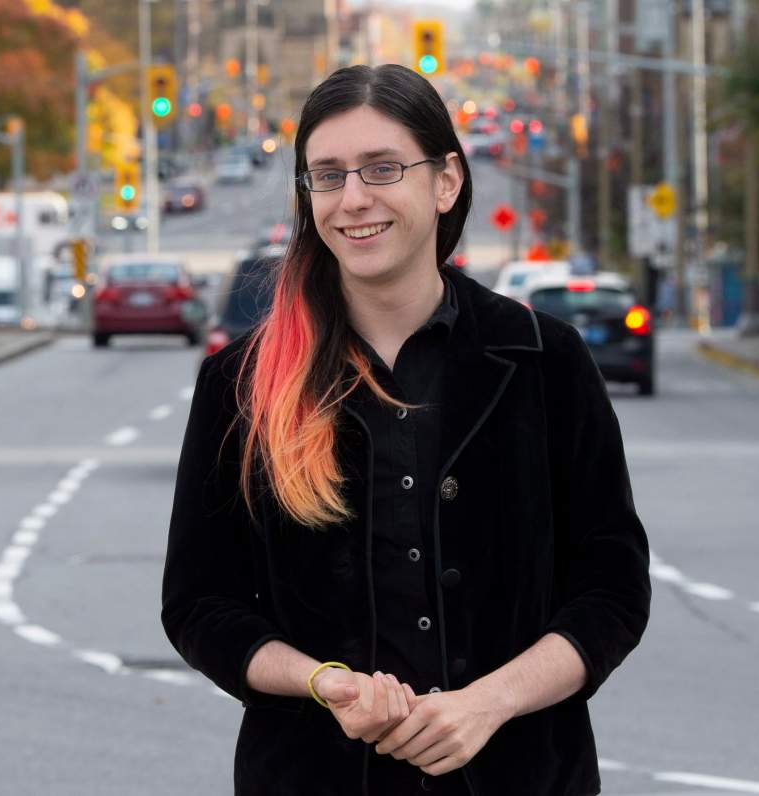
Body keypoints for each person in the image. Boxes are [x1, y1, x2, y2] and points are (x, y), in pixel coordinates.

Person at [161, 64, 650, 796]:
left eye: (382, 168)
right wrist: (324, 683)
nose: (353, 199)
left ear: (445, 180)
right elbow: (199, 605)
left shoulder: (546, 359)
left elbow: (612, 591)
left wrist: (488, 704)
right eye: (326, 176)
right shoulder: (243, 382)